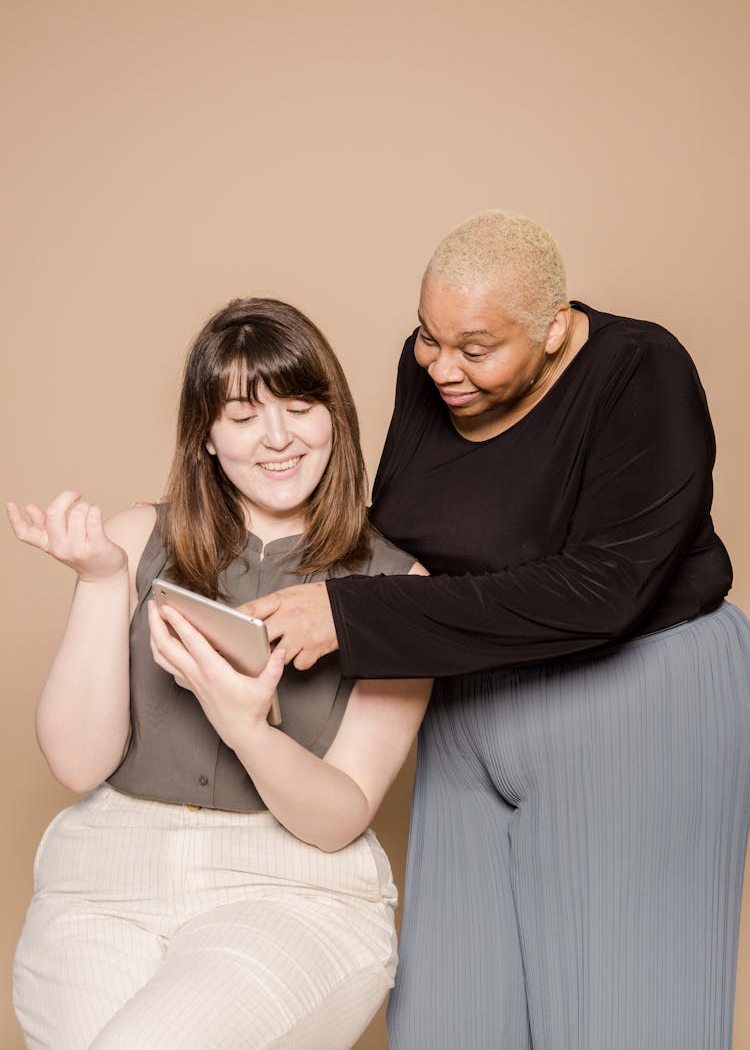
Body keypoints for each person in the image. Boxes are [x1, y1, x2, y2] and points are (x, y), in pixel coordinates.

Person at [244, 212, 750, 1050]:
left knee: (623, 1026)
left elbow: (603, 592)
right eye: (428, 339)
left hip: (635, 696)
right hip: (469, 697)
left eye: (476, 348)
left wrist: (352, 614)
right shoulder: (438, 374)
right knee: (449, 1022)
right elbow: (411, 532)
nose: (444, 367)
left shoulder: (640, 370)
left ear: (554, 329)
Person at [8, 296, 432, 1050]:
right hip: (104, 879)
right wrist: (102, 582)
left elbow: (339, 814)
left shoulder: (399, 584)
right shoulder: (136, 537)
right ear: (205, 435)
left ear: (334, 416)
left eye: (300, 406)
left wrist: (243, 724)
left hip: (292, 888)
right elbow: (77, 760)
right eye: (242, 416)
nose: (277, 437)